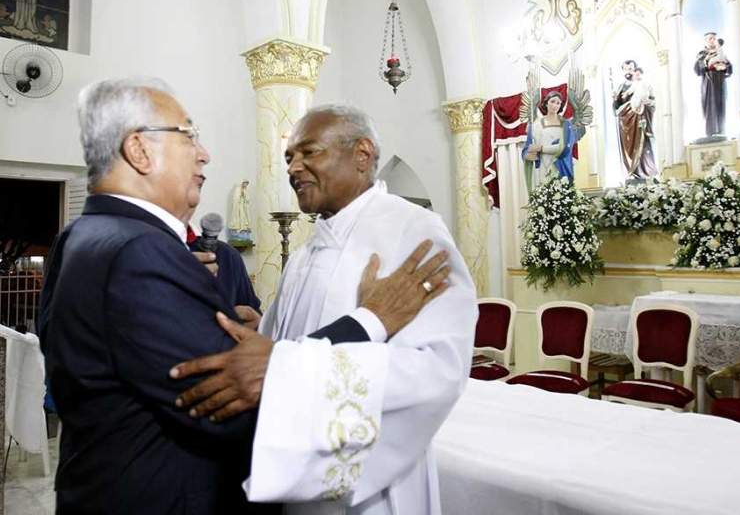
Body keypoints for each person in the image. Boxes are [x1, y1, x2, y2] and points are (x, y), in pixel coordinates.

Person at [39, 79, 449, 515]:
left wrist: (246, 326)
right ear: (139, 151)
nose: (203, 153)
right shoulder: (139, 251)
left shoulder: (81, 234)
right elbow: (236, 398)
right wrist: (371, 319)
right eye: (188, 135)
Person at [171, 104, 478, 514]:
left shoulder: (413, 231)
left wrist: (289, 367)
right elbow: (280, 348)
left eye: (308, 152)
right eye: (288, 158)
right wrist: (265, 331)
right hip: (299, 461)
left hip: (369, 482)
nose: (293, 167)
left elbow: (439, 366)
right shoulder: (306, 250)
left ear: (362, 155)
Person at [521, 90, 580, 190]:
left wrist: (541, 148)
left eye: (558, 103)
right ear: (546, 103)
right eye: (552, 101)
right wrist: (527, 155)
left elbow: (565, 148)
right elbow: (528, 146)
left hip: (560, 165)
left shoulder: (566, 125)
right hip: (543, 166)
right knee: (544, 191)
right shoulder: (536, 125)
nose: (555, 105)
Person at [613, 59, 658, 180]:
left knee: (642, 145)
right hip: (625, 121)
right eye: (626, 69)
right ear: (623, 71)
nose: (629, 71)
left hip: (639, 117)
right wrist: (615, 99)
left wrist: (648, 102)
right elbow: (616, 107)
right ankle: (631, 171)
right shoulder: (622, 87)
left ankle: (646, 172)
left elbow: (653, 100)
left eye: (631, 69)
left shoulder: (643, 84)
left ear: (636, 70)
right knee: (628, 147)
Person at [693, 31, 733, 138]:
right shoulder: (702, 54)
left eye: (714, 38)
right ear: (705, 41)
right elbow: (697, 69)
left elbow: (729, 67)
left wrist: (725, 68)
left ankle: (721, 130)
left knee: (721, 105)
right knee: (710, 107)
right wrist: (706, 60)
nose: (712, 40)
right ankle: (710, 132)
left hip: (720, 83)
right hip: (709, 85)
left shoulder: (720, 53)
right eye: (710, 38)